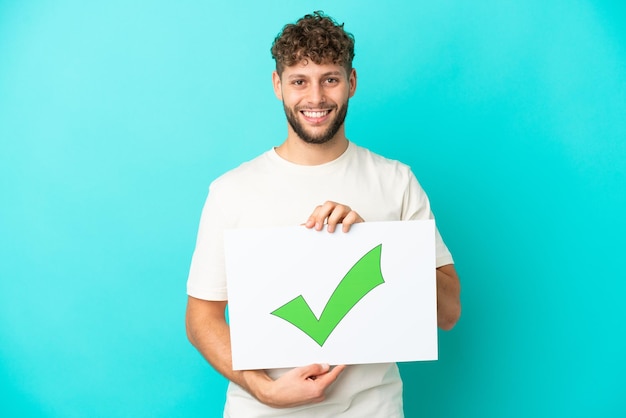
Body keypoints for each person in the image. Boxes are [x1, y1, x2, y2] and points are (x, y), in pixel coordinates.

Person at [185, 11, 461, 417]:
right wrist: (264, 390)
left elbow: (449, 313)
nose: (315, 98)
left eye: (330, 79)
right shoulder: (231, 191)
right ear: (278, 85)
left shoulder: (396, 181)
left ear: (351, 83)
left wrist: (383, 247)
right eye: (300, 81)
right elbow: (201, 318)